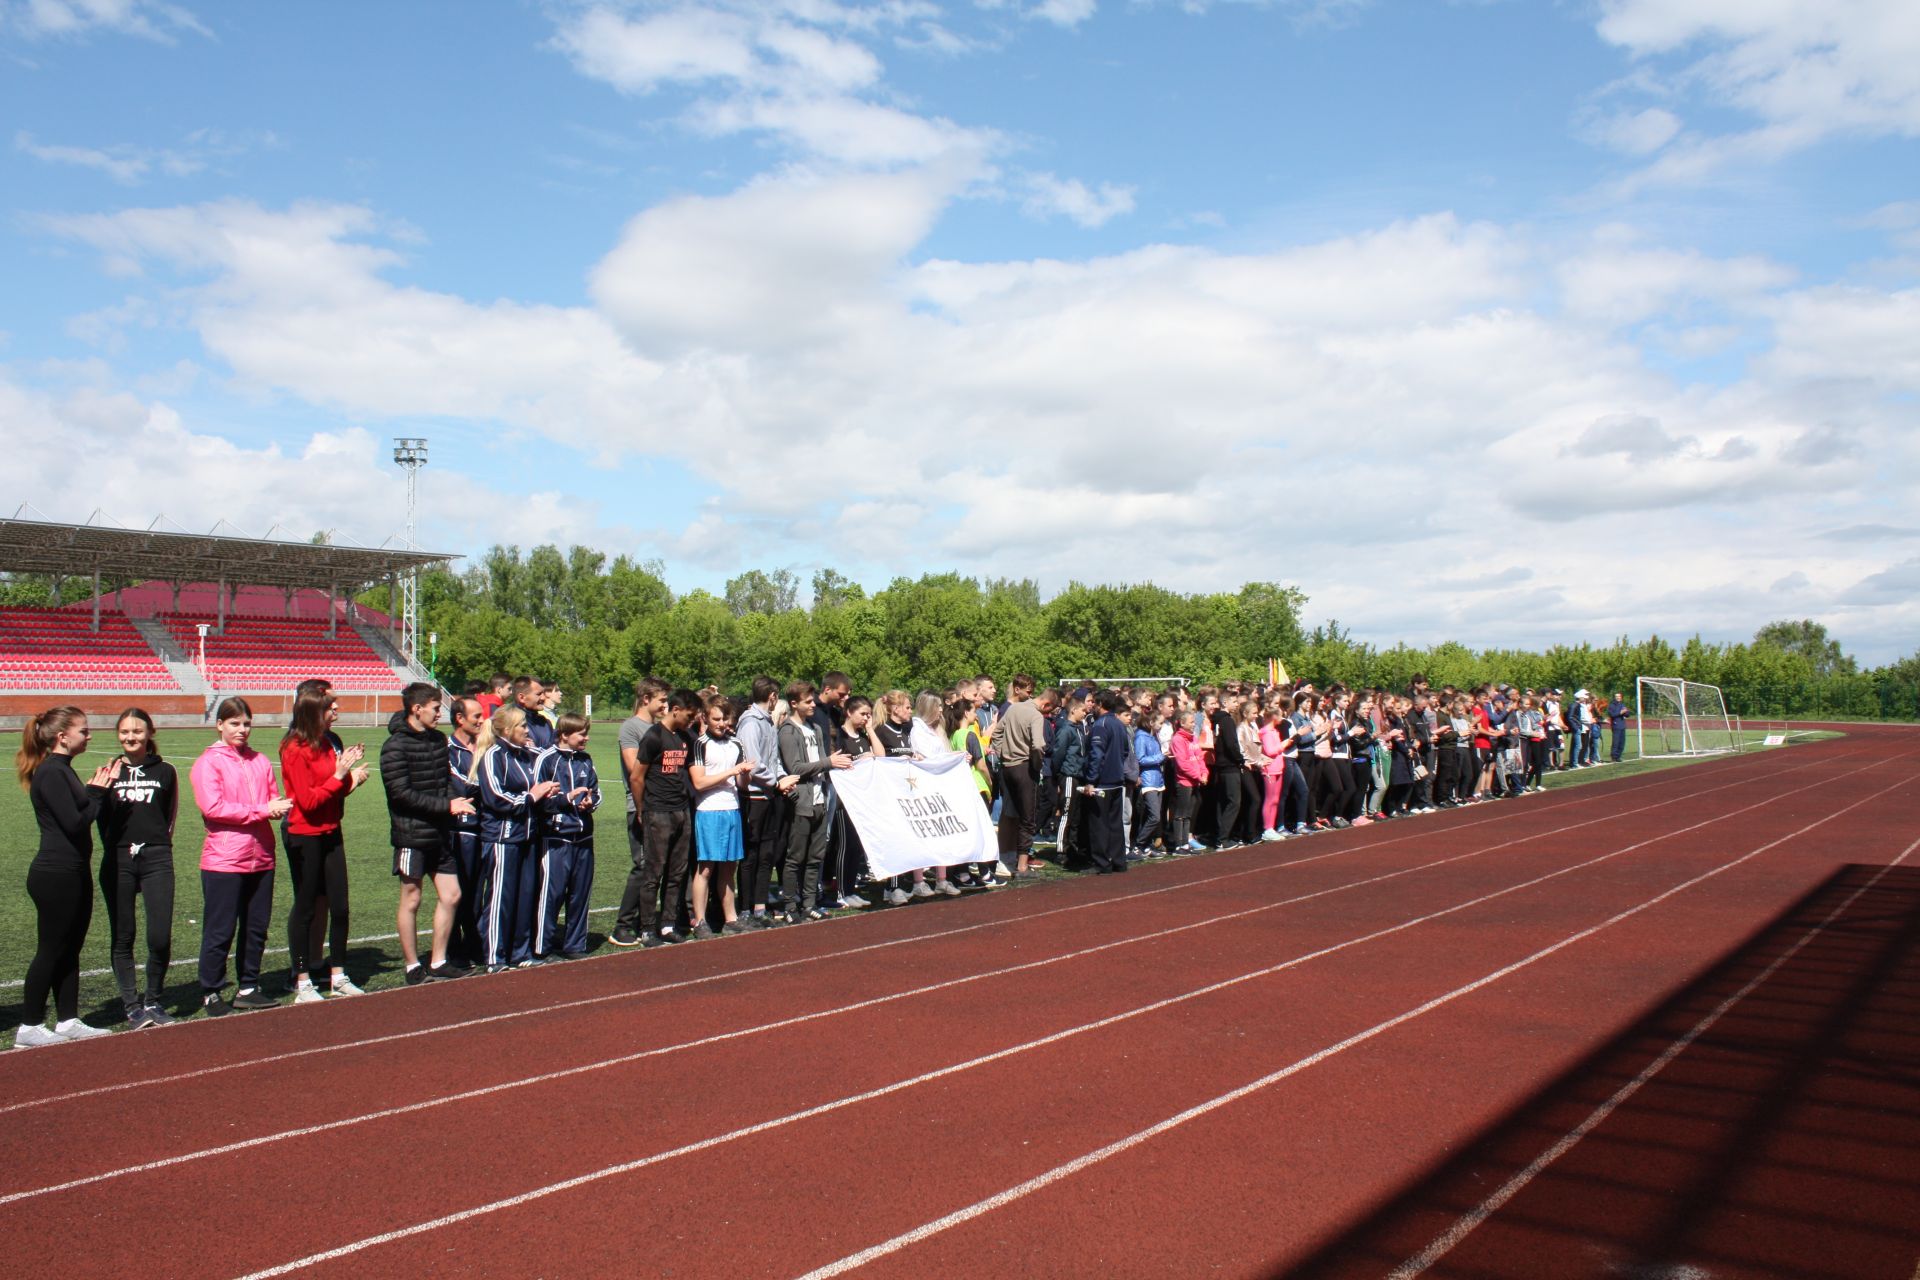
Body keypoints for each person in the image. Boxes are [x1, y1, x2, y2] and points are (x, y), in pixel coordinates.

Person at [14, 707, 120, 1046]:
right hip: (55, 874)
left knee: (70, 948)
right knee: (51, 948)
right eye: (84, 731)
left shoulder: (63, 771)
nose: (89, 736)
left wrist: (95, 791)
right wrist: (97, 793)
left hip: (72, 871)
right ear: (63, 737)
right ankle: (29, 1026)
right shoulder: (51, 773)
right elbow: (75, 823)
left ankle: (68, 1020)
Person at [192, 697, 292, 1016]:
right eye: (235, 723)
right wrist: (263, 809)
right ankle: (211, 991)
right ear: (219, 725)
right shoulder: (208, 762)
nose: (242, 730)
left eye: (247, 724)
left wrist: (277, 806)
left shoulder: (260, 760)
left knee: (256, 927)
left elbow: (270, 797)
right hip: (224, 859)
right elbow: (214, 808)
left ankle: (249, 985)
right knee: (220, 928)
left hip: (261, 856)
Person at [381, 682, 477, 984]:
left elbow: (444, 778)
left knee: (452, 895)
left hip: (440, 833)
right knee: (411, 898)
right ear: (417, 709)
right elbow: (400, 794)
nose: (440, 714)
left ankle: (438, 960)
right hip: (412, 835)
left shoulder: (437, 740)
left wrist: (453, 801)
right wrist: (446, 806)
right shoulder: (395, 746)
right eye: (436, 708)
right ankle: (412, 965)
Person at [280, 687, 370, 1001]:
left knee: (340, 906)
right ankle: (302, 980)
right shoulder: (294, 748)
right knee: (305, 907)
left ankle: (338, 975)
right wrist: (342, 773)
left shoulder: (328, 743)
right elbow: (308, 800)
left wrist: (349, 776)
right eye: (331, 706)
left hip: (332, 830)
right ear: (314, 712)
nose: (338, 710)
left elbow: (334, 790)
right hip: (305, 834)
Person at [96, 707, 178, 1028]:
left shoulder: (166, 771)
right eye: (125, 732)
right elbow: (100, 818)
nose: (131, 737)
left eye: (137, 732)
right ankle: (132, 1006)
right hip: (118, 860)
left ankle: (154, 1001)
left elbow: (168, 817)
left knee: (159, 936)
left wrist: (153, 847)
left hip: (157, 857)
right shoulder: (108, 771)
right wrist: (121, 850)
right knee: (123, 935)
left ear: (149, 734)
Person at [473, 705, 557, 970]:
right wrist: (532, 796)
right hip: (502, 838)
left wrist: (550, 791)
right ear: (508, 730)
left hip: (528, 836)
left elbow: (545, 771)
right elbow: (496, 798)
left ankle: (521, 953)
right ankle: (495, 957)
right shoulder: (493, 756)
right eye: (521, 726)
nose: (526, 730)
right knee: (500, 898)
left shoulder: (527, 755)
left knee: (525, 895)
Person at [780, 681, 854, 920]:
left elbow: (823, 761)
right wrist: (829, 762)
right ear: (794, 704)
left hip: (821, 797)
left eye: (813, 700)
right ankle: (790, 905)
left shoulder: (815, 729)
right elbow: (796, 767)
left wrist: (832, 765)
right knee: (796, 857)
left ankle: (810, 903)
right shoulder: (788, 731)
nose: (813, 705)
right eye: (808, 701)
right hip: (802, 801)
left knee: (815, 856)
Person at [632, 689, 700, 945]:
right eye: (689, 715)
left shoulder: (686, 737)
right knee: (654, 872)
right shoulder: (654, 736)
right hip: (657, 811)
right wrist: (642, 809)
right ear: (675, 709)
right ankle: (647, 928)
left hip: (681, 810)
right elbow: (637, 776)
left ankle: (668, 925)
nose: (691, 720)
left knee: (677, 872)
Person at [533, 712, 600, 961]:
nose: (586, 738)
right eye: (581, 734)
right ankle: (543, 947)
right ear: (564, 735)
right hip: (556, 838)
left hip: (583, 836)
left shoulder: (586, 759)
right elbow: (538, 800)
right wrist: (567, 799)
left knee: (580, 893)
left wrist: (589, 802)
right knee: (552, 894)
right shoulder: (547, 760)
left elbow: (596, 791)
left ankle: (575, 944)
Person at [610, 677, 670, 947]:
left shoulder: (658, 728)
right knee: (643, 865)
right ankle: (623, 925)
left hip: (663, 806)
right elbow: (636, 768)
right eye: (662, 700)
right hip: (641, 806)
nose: (666, 705)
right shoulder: (631, 728)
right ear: (646, 699)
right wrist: (642, 807)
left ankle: (648, 920)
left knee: (657, 866)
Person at [690, 696, 756, 937]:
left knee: (729, 867)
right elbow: (699, 782)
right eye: (715, 718)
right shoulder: (700, 744)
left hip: (732, 809)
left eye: (724, 719)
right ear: (705, 718)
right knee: (706, 868)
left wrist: (746, 773)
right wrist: (732, 771)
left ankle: (731, 918)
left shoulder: (736, 744)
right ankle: (700, 921)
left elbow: (741, 783)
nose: (720, 723)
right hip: (709, 810)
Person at [445, 695, 487, 965]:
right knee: (456, 892)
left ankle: (474, 944)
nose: (482, 720)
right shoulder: (446, 749)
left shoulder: (484, 746)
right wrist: (490, 788)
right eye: (476, 717)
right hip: (458, 831)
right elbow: (463, 786)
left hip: (483, 828)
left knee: (476, 892)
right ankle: (452, 948)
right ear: (459, 719)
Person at [1080, 691, 1130, 875]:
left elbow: (1096, 754)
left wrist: (1091, 780)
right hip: (1117, 779)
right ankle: (1119, 860)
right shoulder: (1118, 723)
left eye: (1095, 702)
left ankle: (1102, 863)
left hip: (1103, 782)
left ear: (1100, 704)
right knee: (1115, 822)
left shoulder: (1101, 725)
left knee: (1099, 823)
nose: (1092, 705)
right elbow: (1125, 750)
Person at [1130, 706, 1166, 857]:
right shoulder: (1141, 737)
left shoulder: (1153, 737)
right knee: (1154, 815)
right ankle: (1138, 844)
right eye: (1160, 723)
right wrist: (1160, 757)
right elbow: (1140, 759)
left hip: (1157, 779)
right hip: (1148, 780)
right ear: (1151, 722)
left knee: (1152, 816)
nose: (1161, 726)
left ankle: (1146, 845)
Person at [1607, 691, 1632, 763]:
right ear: (1614, 698)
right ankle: (1613, 757)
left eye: (1619, 696)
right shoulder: (1611, 705)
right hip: (1616, 725)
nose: (1618, 698)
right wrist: (1620, 712)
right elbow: (1612, 714)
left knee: (1622, 742)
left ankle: (1618, 756)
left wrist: (1627, 712)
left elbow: (1627, 715)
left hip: (1622, 725)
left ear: (1621, 698)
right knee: (1616, 742)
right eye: (1616, 696)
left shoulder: (1622, 704)